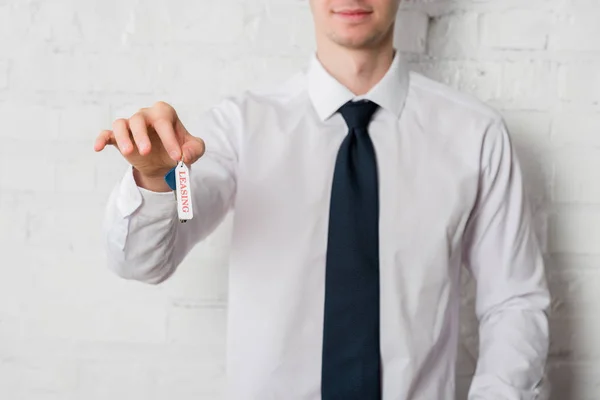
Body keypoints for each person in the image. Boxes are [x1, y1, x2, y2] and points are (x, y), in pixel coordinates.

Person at [95, 0, 550, 399]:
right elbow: (143, 260)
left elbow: (514, 302)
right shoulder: (239, 129)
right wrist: (157, 178)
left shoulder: (474, 135)